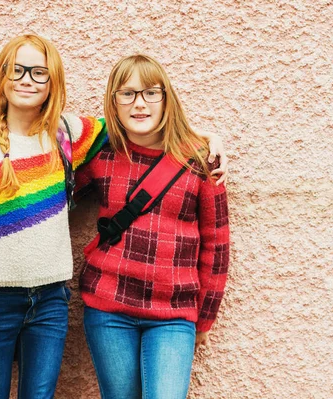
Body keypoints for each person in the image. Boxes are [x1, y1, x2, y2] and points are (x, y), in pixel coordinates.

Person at [0, 35, 227, 398]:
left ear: (53, 82)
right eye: (17, 70)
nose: (27, 79)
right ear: (1, 76)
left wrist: (202, 136)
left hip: (51, 301)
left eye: (39, 72)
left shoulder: (66, 134)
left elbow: (136, 123)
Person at [76, 54, 230, 399]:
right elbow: (54, 186)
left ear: (166, 99)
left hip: (173, 316)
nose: (139, 104)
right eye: (127, 94)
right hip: (108, 308)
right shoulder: (102, 155)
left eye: (150, 93)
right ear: (113, 103)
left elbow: (217, 246)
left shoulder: (201, 160)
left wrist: (204, 317)